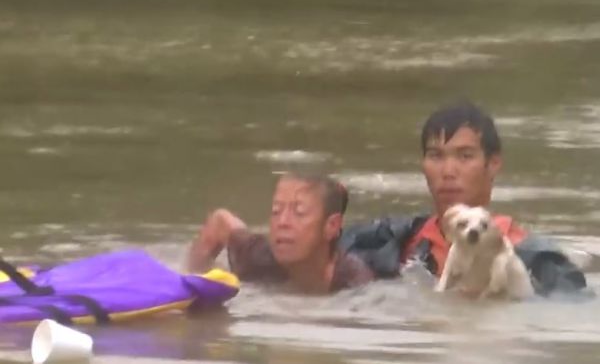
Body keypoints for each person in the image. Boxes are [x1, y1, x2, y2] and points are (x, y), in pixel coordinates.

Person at [339, 101, 588, 296]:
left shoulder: (536, 258)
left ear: (493, 164)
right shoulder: (393, 241)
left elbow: (570, 310)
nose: (448, 171)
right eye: (436, 156)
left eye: (465, 156)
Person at [187, 172, 374, 294]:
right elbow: (221, 221)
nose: (282, 223)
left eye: (299, 213)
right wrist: (194, 274)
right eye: (276, 211)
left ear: (331, 226)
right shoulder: (258, 257)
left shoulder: (355, 283)